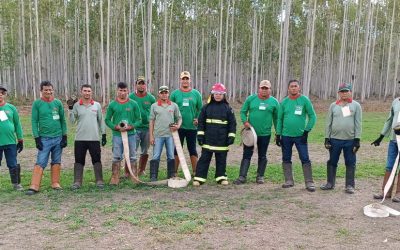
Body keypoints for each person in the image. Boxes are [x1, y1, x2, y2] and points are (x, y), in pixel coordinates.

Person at [26, 81, 68, 195]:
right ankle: (34, 185)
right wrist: (37, 138)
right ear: (41, 91)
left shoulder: (58, 103)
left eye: (50, 90)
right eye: (46, 90)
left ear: (52, 90)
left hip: (58, 137)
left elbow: (63, 120)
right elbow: (34, 121)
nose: (48, 92)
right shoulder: (37, 104)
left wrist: (65, 136)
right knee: (41, 161)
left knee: (56, 160)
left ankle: (55, 183)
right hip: (44, 138)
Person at [234, 80, 279, 185]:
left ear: (270, 90)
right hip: (250, 134)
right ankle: (242, 176)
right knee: (247, 154)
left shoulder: (274, 102)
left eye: (266, 88)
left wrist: (278, 132)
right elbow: (243, 112)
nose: (264, 90)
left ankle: (260, 176)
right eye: (262, 88)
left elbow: (277, 119)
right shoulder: (251, 99)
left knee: (262, 155)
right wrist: (245, 121)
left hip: (265, 134)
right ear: (259, 88)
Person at [276, 79, 317, 192]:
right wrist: (278, 134)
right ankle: (289, 180)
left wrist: (306, 131)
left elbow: (312, 116)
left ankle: (309, 182)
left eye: (295, 86)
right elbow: (279, 118)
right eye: (291, 86)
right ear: (288, 88)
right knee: (286, 158)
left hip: (300, 136)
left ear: (299, 88)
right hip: (286, 136)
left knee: (305, 158)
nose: (293, 88)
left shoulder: (304, 100)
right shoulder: (284, 102)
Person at [193, 83, 237, 186]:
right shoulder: (205, 108)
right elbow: (201, 123)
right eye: (216, 93)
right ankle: (199, 178)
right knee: (204, 159)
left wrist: (231, 136)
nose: (218, 95)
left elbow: (232, 124)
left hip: (222, 140)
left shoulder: (228, 109)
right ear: (212, 94)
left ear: (224, 95)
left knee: (221, 160)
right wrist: (200, 135)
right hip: (208, 140)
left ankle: (221, 177)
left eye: (220, 94)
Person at [321, 83, 362, 194]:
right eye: (342, 91)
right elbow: (328, 122)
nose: (344, 93)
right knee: (332, 161)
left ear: (350, 92)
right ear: (339, 93)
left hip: (350, 140)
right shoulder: (333, 106)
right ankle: (330, 183)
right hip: (334, 140)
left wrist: (357, 140)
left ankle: (349, 185)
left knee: (350, 162)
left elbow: (358, 123)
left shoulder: (356, 106)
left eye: (346, 91)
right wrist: (326, 138)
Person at [68, 84, 107, 189]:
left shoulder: (97, 105)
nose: (87, 93)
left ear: (91, 92)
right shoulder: (76, 105)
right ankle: (77, 181)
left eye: (89, 91)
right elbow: (72, 122)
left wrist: (103, 134)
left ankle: (99, 180)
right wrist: (70, 108)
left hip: (94, 138)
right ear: (81, 92)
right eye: (85, 91)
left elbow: (101, 120)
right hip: (80, 138)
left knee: (96, 159)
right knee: (79, 160)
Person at [105, 82, 141, 185]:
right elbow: (107, 120)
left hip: (131, 135)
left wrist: (131, 126)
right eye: (120, 90)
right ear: (117, 91)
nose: (122, 93)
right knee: (116, 156)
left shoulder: (133, 104)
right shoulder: (112, 104)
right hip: (117, 135)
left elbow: (139, 119)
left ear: (127, 91)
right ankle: (115, 177)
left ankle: (134, 176)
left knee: (133, 155)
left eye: (124, 90)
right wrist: (115, 127)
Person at [170, 71, 203, 176]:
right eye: (183, 79)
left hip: (192, 127)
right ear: (180, 80)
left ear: (190, 80)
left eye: (187, 79)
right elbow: (170, 108)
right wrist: (172, 122)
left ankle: (195, 171)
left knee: (192, 148)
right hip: (178, 127)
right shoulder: (175, 94)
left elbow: (200, 109)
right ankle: (174, 172)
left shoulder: (196, 94)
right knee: (177, 149)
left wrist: (197, 119)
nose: (185, 81)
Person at [148, 86, 182, 181]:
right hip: (158, 135)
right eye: (162, 93)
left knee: (171, 155)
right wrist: (151, 136)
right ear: (159, 94)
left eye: (166, 92)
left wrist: (178, 126)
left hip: (170, 136)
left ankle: (171, 175)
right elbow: (151, 121)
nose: (164, 94)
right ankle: (153, 176)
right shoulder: (154, 106)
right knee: (156, 155)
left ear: (168, 94)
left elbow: (179, 118)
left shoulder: (173, 105)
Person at [372, 97, 400, 201]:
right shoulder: (396, 102)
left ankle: (398, 193)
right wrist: (381, 136)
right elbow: (390, 119)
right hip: (393, 140)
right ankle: (386, 192)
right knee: (389, 166)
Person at [128, 76, 156, 177]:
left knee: (145, 150)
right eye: (139, 83)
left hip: (147, 129)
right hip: (134, 129)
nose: (141, 85)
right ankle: (129, 171)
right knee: (132, 150)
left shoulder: (151, 98)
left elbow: (155, 113)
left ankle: (141, 169)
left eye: (143, 83)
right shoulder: (131, 97)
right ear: (136, 85)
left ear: (146, 85)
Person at [0, 85, 24, 190]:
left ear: (4, 95)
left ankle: (16, 184)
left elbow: (17, 124)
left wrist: (20, 139)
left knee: (12, 162)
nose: (0, 94)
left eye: (2, 93)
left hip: (10, 141)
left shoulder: (11, 108)